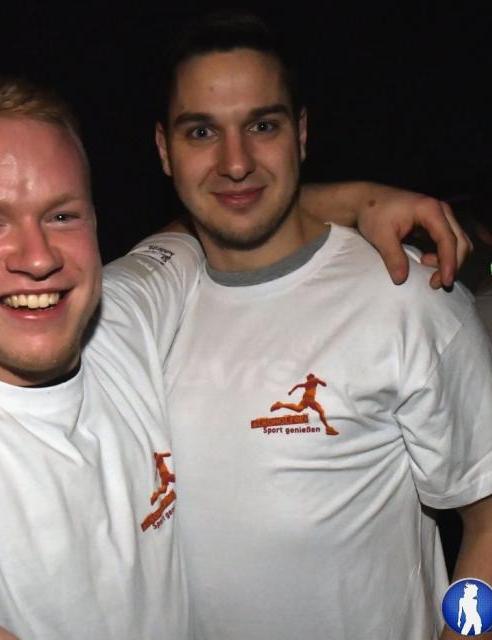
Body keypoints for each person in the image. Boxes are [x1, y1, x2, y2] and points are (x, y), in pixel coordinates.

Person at [0, 77, 471, 638]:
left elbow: (203, 224)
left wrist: (360, 200)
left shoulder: (127, 315)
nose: (38, 258)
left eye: (62, 215)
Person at [153, 11, 492, 640]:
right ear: (163, 151)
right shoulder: (146, 312)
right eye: (201, 131)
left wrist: (468, 633)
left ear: (301, 134)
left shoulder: (404, 298)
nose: (235, 162)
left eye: (263, 126)